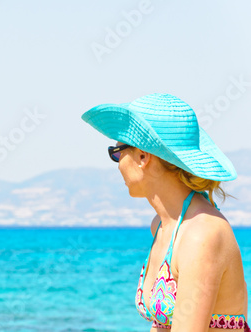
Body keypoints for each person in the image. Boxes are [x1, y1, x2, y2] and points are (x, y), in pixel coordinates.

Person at [81, 93, 249, 331]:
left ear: (142, 156)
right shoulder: (162, 225)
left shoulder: (202, 234)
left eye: (117, 152)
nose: (117, 162)